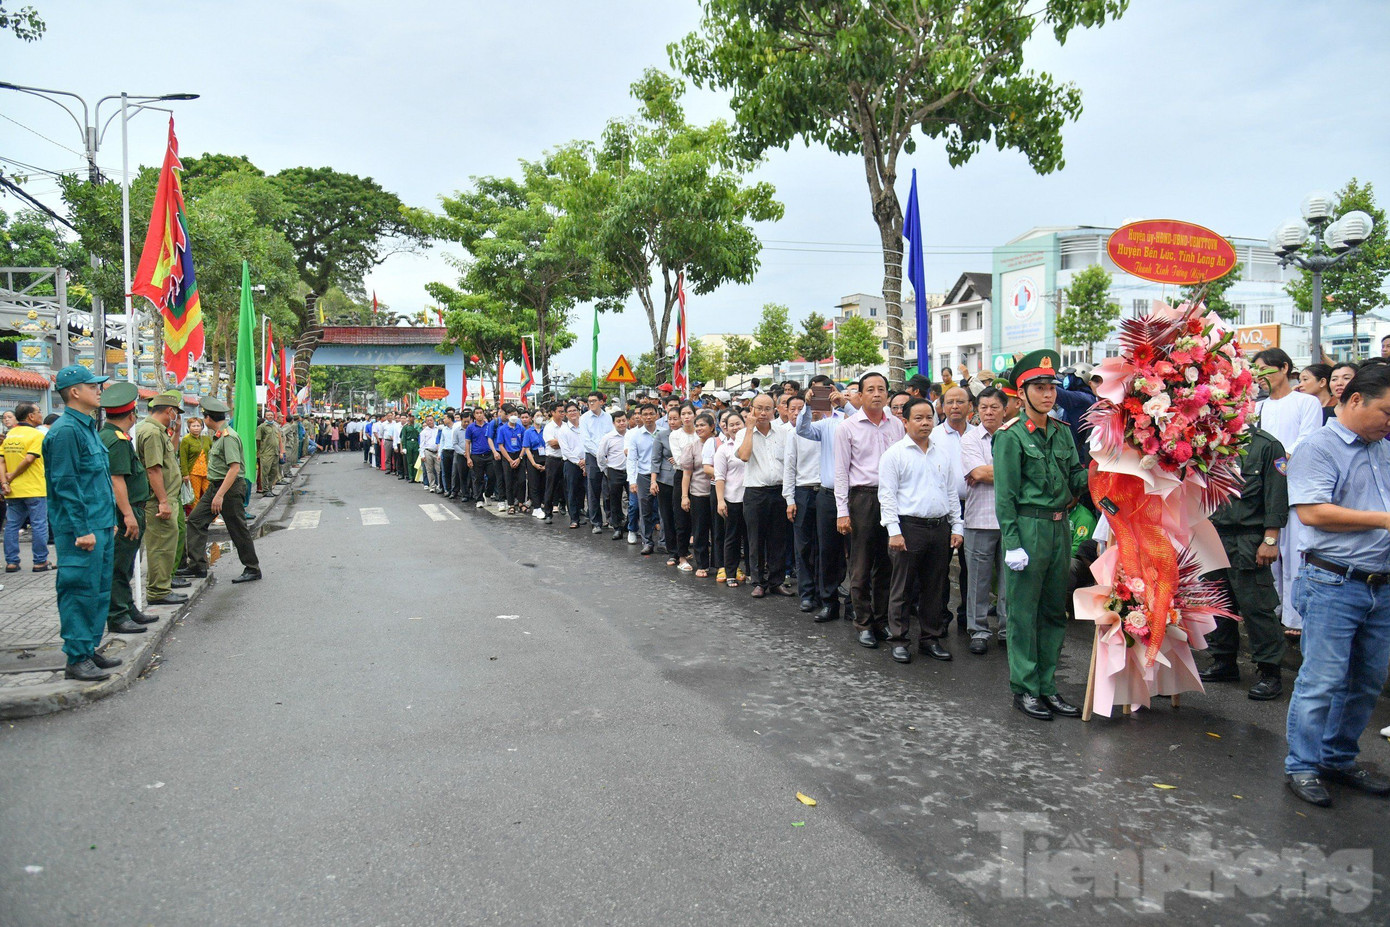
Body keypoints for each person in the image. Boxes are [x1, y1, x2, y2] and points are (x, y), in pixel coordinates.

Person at [1282, 362, 1390, 808]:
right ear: (1356, 400)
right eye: (1386, 411)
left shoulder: (1382, 447)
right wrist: (1385, 520)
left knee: (1366, 681)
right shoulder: (1318, 447)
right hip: (1333, 581)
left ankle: (1337, 758)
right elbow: (1312, 512)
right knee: (1322, 680)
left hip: (1380, 585)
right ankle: (1302, 765)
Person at [993, 350, 1087, 721]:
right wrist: (1013, 543)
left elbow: (1077, 479)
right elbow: (1006, 497)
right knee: (1023, 614)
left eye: (1052, 387)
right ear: (1022, 392)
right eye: (1040, 387)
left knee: (1053, 611)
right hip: (1029, 528)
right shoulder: (1011, 437)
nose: (1049, 394)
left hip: (1060, 527)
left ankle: (1048, 686)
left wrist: (1107, 467)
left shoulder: (1063, 432)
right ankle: (1025, 687)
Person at [1200, 424, 1288, 700]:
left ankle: (1270, 670)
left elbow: (1276, 495)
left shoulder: (1266, 445)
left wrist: (1271, 539)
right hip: (1212, 533)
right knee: (1216, 602)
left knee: (1256, 606)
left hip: (1248, 538)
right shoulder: (1207, 441)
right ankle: (1223, 661)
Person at [44, 367, 121, 681]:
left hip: (100, 524)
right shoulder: (64, 431)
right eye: (93, 386)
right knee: (79, 591)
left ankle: (88, 649)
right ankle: (76, 658)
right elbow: (66, 485)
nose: (99, 390)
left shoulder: (87, 427)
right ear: (74, 391)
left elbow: (98, 480)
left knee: (99, 590)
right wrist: (83, 529)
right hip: (82, 528)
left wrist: (110, 521)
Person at [879, 397, 964, 663]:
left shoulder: (942, 453)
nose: (925, 423)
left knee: (935, 587)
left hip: (939, 527)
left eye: (929, 417)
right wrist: (894, 530)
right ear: (904, 422)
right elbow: (887, 496)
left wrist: (956, 525)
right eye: (918, 418)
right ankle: (900, 639)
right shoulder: (894, 454)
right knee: (902, 587)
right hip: (908, 527)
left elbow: (951, 492)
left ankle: (930, 638)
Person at [1253, 347, 1323, 634]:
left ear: (1283, 368)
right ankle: (1273, 610)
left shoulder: (1306, 403)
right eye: (1255, 372)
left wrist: (1277, 465)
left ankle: (1294, 618)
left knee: (1293, 552)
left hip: (1294, 484)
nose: (1259, 377)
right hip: (1264, 488)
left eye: (1264, 370)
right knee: (1268, 554)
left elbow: (1306, 440)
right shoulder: (1258, 408)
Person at [835, 372, 905, 646]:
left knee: (888, 563)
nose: (877, 394)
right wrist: (843, 511)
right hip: (862, 498)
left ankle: (881, 620)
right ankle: (863, 622)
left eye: (881, 389)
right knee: (861, 564)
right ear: (860, 395)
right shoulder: (847, 427)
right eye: (870, 389)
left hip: (892, 498)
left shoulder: (896, 426)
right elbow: (841, 472)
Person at [181, 397, 261, 583]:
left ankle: (252, 568)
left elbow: (234, 468)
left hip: (229, 489)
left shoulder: (228, 437)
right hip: (216, 487)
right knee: (195, 520)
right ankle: (197, 566)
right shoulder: (217, 436)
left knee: (237, 529)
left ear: (208, 418)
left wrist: (219, 495)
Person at [98, 381, 155, 636]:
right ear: (131, 414)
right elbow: (116, 479)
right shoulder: (117, 441)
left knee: (126, 564)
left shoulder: (107, 435)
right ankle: (118, 615)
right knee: (119, 566)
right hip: (127, 511)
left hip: (130, 509)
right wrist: (129, 515)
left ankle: (127, 607)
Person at [796, 381, 851, 623]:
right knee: (828, 551)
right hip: (828, 495)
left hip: (858, 495)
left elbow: (859, 418)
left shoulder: (857, 421)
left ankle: (855, 604)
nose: (834, 397)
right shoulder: (827, 424)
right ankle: (829, 602)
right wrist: (807, 406)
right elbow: (803, 430)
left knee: (858, 552)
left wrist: (846, 405)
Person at [960, 386, 1009, 654]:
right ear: (976, 410)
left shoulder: (1015, 436)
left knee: (1009, 581)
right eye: (983, 408)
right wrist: (1013, 472)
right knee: (977, 581)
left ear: (1005, 409)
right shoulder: (969, 439)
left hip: (1011, 520)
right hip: (978, 519)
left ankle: (1006, 629)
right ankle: (978, 630)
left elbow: (986, 473)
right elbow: (978, 473)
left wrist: (991, 472)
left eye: (994, 407)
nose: (989, 412)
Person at [135, 390, 189, 607]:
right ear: (170, 410)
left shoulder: (157, 430)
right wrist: (163, 501)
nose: (176, 416)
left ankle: (162, 586)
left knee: (166, 544)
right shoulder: (152, 433)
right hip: (159, 501)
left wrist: (175, 431)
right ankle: (158, 591)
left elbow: (168, 456)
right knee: (160, 546)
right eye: (175, 412)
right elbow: (153, 469)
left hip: (166, 497)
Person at [738, 393, 789, 597]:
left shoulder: (783, 432)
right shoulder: (744, 432)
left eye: (767, 408)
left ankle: (777, 580)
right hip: (755, 492)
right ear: (752, 409)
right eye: (759, 408)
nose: (763, 413)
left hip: (779, 491)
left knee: (778, 539)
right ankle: (758, 581)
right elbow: (744, 455)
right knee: (755, 539)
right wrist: (750, 428)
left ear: (774, 409)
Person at [782, 394, 820, 611]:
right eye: (795, 409)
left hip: (827, 492)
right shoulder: (796, 433)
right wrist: (790, 498)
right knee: (803, 545)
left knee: (825, 546)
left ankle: (825, 591)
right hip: (803, 492)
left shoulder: (831, 427)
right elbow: (790, 466)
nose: (799, 413)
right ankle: (807, 592)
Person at [1, 401, 49, 572]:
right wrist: (12, 476)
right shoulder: (37, 436)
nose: (40, 414)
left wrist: (5, 482)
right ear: (30, 416)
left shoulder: (10, 435)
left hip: (13, 490)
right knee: (38, 524)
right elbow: (29, 459)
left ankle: (12, 562)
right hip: (34, 487)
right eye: (38, 411)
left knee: (12, 525)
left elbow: (2, 461)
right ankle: (40, 561)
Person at [682, 411, 720, 578]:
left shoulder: (720, 444)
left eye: (702, 425)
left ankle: (719, 565)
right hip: (699, 493)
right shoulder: (692, 447)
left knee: (719, 531)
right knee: (700, 530)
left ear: (712, 427)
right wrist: (685, 496)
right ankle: (702, 564)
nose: (698, 428)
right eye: (697, 425)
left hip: (718, 493)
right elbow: (687, 474)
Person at [714, 410, 748, 586]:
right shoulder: (723, 449)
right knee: (732, 537)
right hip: (733, 499)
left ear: (745, 424)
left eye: (738, 423)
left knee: (752, 538)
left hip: (752, 498)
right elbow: (719, 477)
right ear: (725, 428)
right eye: (731, 425)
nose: (735, 427)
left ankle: (751, 573)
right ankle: (731, 572)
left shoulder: (752, 443)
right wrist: (721, 500)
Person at [626, 403, 661, 555]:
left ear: (657, 415)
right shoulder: (635, 436)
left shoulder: (664, 433)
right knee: (645, 511)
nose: (648, 417)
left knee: (664, 511)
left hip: (662, 475)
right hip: (643, 475)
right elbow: (632, 460)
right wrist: (632, 481)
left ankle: (665, 541)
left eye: (651, 414)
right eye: (644, 414)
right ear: (640, 416)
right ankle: (647, 541)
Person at [580, 391, 614, 530]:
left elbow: (612, 435)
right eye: (589, 401)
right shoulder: (584, 418)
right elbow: (586, 441)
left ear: (601, 402)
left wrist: (606, 454)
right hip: (592, 457)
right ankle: (596, 522)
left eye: (594, 400)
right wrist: (599, 454)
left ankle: (611, 519)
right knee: (593, 490)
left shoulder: (608, 418)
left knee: (609, 489)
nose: (591, 403)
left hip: (608, 457)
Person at [598, 409, 630, 540]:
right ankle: (617, 527)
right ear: (613, 423)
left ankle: (630, 525)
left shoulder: (631, 435)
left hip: (630, 472)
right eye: (618, 421)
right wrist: (606, 471)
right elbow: (600, 456)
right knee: (614, 500)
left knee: (633, 501)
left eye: (623, 420)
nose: (621, 423)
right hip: (614, 471)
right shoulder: (608, 437)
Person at [559, 403, 587, 528]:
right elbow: (566, 451)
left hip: (587, 462)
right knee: (572, 491)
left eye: (574, 410)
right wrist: (579, 462)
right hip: (571, 464)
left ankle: (589, 516)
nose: (573, 413)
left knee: (588, 491)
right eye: (569, 411)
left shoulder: (585, 427)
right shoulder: (563, 431)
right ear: (565, 414)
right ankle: (574, 519)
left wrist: (585, 461)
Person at [179, 415, 212, 513]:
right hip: (193, 472)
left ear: (202, 427)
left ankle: (213, 517)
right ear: (189, 427)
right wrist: (185, 474)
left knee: (209, 494)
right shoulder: (186, 440)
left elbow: (211, 452)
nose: (196, 428)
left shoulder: (206, 439)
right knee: (195, 496)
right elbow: (183, 458)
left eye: (198, 426)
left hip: (207, 471)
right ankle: (196, 516)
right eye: (193, 426)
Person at [494, 413, 526, 512]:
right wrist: (510, 460)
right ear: (507, 417)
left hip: (519, 455)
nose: (514, 417)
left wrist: (519, 458)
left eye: (516, 414)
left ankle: (521, 503)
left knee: (522, 481)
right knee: (508, 481)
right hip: (507, 456)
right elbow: (501, 445)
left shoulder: (521, 428)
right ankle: (511, 505)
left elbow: (525, 445)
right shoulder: (502, 429)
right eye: (512, 415)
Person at [255, 415, 281, 496]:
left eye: (271, 415)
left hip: (275, 452)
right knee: (265, 472)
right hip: (266, 453)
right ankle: (265, 490)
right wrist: (259, 451)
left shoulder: (275, 426)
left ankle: (270, 489)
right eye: (268, 415)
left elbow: (278, 439)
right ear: (265, 416)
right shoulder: (262, 427)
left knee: (274, 472)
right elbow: (258, 440)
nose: (270, 416)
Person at [399, 414, 420, 482]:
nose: (412, 418)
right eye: (410, 417)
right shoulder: (406, 427)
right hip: (409, 443)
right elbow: (403, 437)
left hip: (416, 443)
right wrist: (404, 447)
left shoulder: (418, 426)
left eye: (413, 416)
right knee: (410, 461)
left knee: (416, 461)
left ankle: (416, 477)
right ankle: (411, 477)